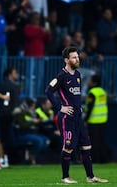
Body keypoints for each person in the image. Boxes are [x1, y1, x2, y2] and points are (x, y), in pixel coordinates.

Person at [45, 46, 108, 184]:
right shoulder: (61, 76)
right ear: (67, 60)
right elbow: (48, 91)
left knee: (86, 147)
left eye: (77, 57)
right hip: (67, 118)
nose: (77, 59)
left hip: (78, 117)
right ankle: (65, 177)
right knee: (68, 147)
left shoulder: (78, 75)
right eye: (74, 57)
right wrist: (60, 108)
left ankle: (90, 177)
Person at [83, 74, 110, 163]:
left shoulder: (92, 93)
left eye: (90, 80)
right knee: (101, 141)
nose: (89, 82)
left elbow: (90, 108)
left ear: (94, 82)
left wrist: (85, 120)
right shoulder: (102, 92)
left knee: (94, 142)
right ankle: (104, 160)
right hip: (102, 120)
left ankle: (95, 160)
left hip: (93, 121)